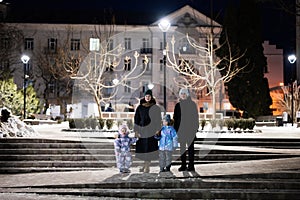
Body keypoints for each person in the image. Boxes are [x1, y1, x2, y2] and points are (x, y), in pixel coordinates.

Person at [134, 89, 161, 173]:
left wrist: (157, 129)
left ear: (151, 97)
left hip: (151, 130)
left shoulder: (155, 107)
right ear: (144, 97)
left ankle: (147, 166)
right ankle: (144, 164)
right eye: (146, 96)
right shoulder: (140, 107)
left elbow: (158, 119)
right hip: (142, 130)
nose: (147, 97)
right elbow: (136, 119)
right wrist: (136, 131)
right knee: (143, 149)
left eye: (149, 96)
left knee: (149, 148)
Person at [173, 88, 199, 171]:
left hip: (190, 130)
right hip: (181, 131)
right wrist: (175, 130)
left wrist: (195, 129)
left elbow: (195, 118)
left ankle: (191, 165)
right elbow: (175, 119)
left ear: (187, 95)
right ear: (180, 95)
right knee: (182, 149)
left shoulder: (192, 104)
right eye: (182, 94)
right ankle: (183, 165)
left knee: (191, 149)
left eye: (184, 94)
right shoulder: (177, 106)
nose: (183, 95)